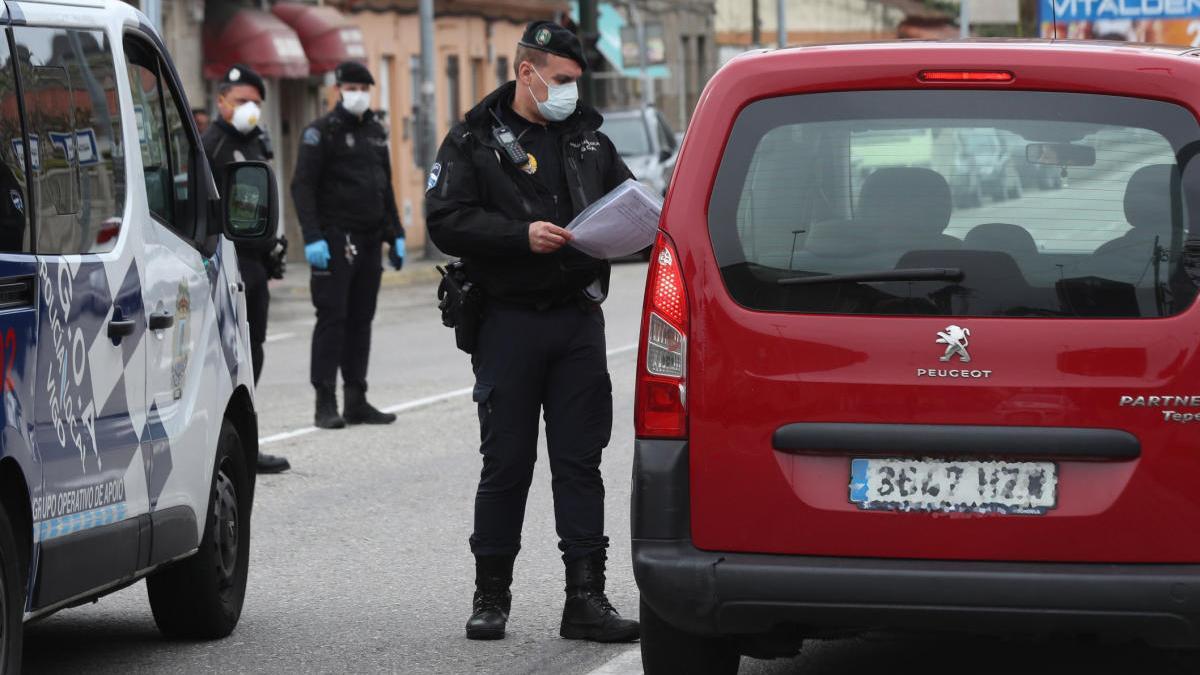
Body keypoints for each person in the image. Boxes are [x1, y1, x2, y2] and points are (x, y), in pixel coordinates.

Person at [425, 21, 638, 643]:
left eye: (576, 80)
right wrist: (519, 236)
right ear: (529, 72)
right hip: (507, 320)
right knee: (507, 464)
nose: (572, 91)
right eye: (563, 79)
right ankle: (491, 596)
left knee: (581, 462)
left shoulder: (588, 142)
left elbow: (628, 202)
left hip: (576, 319)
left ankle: (586, 599)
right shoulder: (473, 140)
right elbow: (445, 219)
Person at [291, 61, 405, 430]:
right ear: (338, 89)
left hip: (370, 239)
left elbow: (383, 185)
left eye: (363, 87)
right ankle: (325, 401)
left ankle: (356, 398)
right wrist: (312, 238)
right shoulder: (321, 132)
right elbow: (302, 187)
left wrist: (396, 233)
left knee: (361, 320)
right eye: (351, 86)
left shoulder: (375, 130)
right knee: (333, 318)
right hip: (335, 240)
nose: (358, 93)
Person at [202, 64, 290, 475]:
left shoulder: (257, 141)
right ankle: (228, 450)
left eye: (255, 102)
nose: (249, 108)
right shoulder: (211, 145)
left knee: (252, 354)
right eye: (241, 101)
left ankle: (247, 447)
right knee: (231, 359)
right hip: (227, 265)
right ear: (221, 101)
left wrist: (275, 243)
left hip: (255, 264)